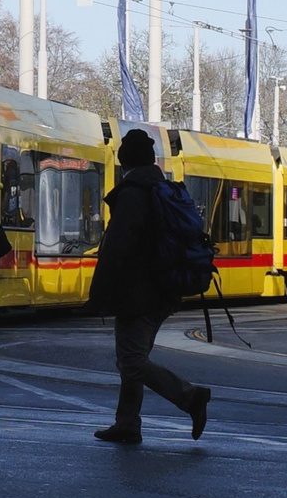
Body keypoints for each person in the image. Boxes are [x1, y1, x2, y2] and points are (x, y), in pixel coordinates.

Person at [87, 128, 213, 444]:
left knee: (131, 360)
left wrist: (97, 296)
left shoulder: (132, 194)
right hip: (164, 289)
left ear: (123, 160)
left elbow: (116, 251)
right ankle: (127, 423)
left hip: (137, 294)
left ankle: (190, 397)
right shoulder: (162, 189)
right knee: (135, 357)